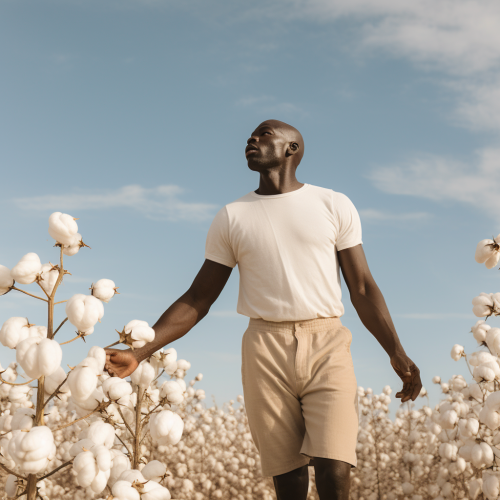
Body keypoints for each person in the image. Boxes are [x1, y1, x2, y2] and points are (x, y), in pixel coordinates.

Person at [104, 119, 422, 500]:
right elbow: (198, 298)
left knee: (335, 466)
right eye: (251, 135)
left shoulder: (333, 203)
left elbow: (363, 287)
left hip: (327, 343)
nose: (252, 139)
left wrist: (396, 351)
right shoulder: (232, 215)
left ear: (292, 149)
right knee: (287, 479)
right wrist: (139, 352)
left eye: (265, 134)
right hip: (263, 347)